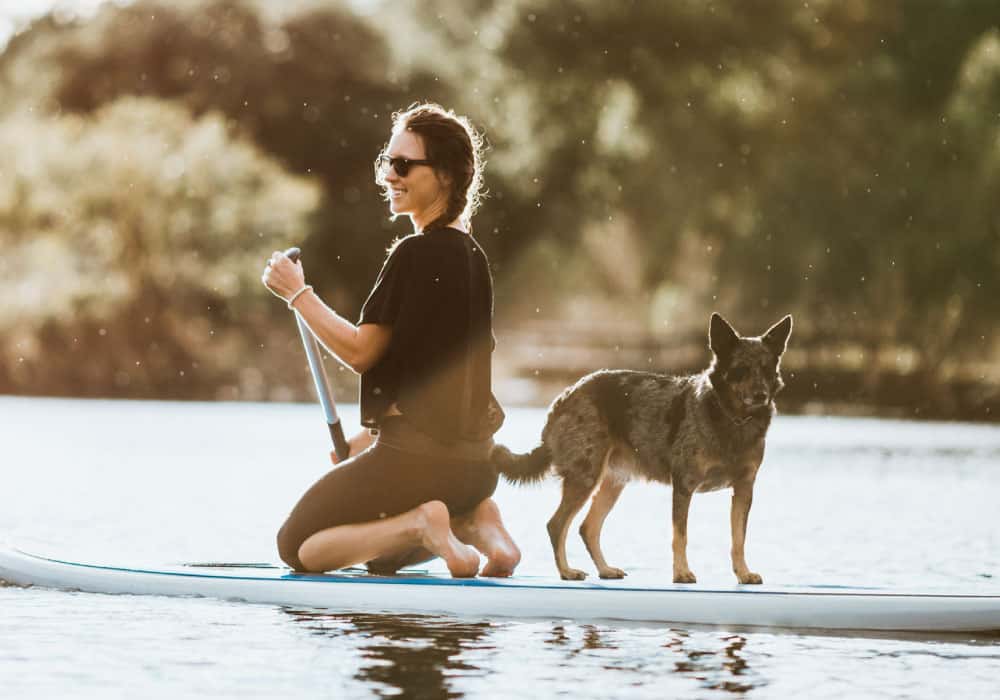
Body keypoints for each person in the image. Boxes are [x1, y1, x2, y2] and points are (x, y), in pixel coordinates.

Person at [262, 103, 520, 578]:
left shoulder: (413, 253)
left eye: (403, 165)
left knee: (298, 548)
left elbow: (363, 353)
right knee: (381, 557)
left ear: (444, 175)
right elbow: (438, 382)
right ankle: (478, 522)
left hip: (418, 464)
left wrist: (298, 294)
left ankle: (428, 525)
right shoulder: (473, 258)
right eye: (387, 161)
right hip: (475, 468)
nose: (388, 175)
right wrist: (365, 441)